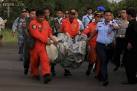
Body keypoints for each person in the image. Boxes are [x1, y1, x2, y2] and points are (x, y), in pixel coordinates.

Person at [29, 9, 58, 83]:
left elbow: (49, 33)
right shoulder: (33, 23)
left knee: (45, 60)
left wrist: (53, 39)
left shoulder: (46, 23)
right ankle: (35, 73)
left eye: (43, 17)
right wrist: (46, 40)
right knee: (34, 61)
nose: (42, 19)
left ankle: (46, 75)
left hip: (44, 46)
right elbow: (36, 35)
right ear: (36, 16)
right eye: (40, 17)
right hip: (35, 45)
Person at [91, 10, 119, 86]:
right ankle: (105, 79)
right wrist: (89, 38)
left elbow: (117, 27)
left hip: (110, 46)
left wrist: (113, 26)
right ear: (104, 16)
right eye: (106, 15)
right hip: (100, 45)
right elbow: (95, 32)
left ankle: (100, 74)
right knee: (103, 60)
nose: (108, 17)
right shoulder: (99, 23)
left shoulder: (114, 23)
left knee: (105, 62)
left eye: (110, 15)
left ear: (112, 16)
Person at [60, 10, 79, 76]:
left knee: (71, 54)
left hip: (73, 40)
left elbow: (77, 32)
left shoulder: (76, 22)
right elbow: (61, 30)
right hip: (65, 40)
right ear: (69, 15)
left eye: (74, 14)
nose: (72, 16)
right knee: (65, 54)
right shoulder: (64, 21)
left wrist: (76, 37)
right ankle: (66, 69)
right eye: (71, 14)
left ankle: (67, 68)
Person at [82, 12, 101, 77]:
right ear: (94, 17)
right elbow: (85, 32)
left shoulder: (102, 25)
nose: (98, 18)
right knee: (93, 59)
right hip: (92, 43)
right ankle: (89, 68)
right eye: (97, 16)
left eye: (99, 17)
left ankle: (97, 73)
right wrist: (83, 35)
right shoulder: (90, 25)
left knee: (99, 59)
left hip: (100, 44)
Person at [123, 7, 137, 85]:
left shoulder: (133, 23)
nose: (125, 16)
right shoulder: (132, 23)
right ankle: (132, 79)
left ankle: (131, 80)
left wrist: (130, 43)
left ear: (129, 15)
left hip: (132, 48)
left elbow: (135, 34)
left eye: (126, 14)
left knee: (128, 63)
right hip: (132, 47)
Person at [23, 9, 36, 75]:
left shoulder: (38, 20)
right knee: (27, 56)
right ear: (29, 14)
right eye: (32, 13)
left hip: (36, 41)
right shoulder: (26, 20)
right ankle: (26, 67)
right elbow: (25, 30)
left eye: (35, 14)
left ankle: (34, 70)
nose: (33, 15)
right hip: (28, 40)